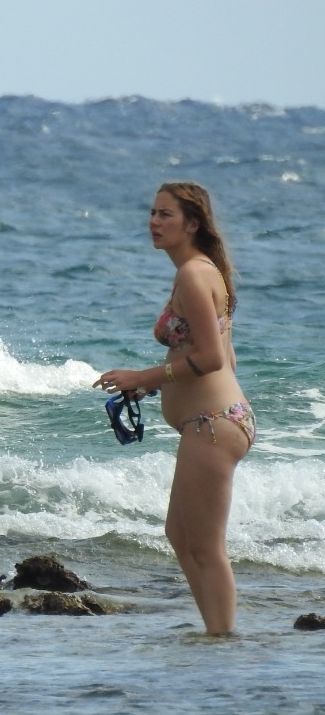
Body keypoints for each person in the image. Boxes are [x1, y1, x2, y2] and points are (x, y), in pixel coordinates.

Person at [94, 182, 254, 635]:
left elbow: (212, 360)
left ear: (193, 224)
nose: (154, 222)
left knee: (206, 547)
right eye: (152, 212)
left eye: (166, 215)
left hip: (213, 423)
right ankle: (215, 633)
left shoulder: (193, 273)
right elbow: (223, 353)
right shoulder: (203, 270)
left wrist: (141, 377)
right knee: (181, 537)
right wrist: (156, 387)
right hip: (213, 420)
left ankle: (223, 641)